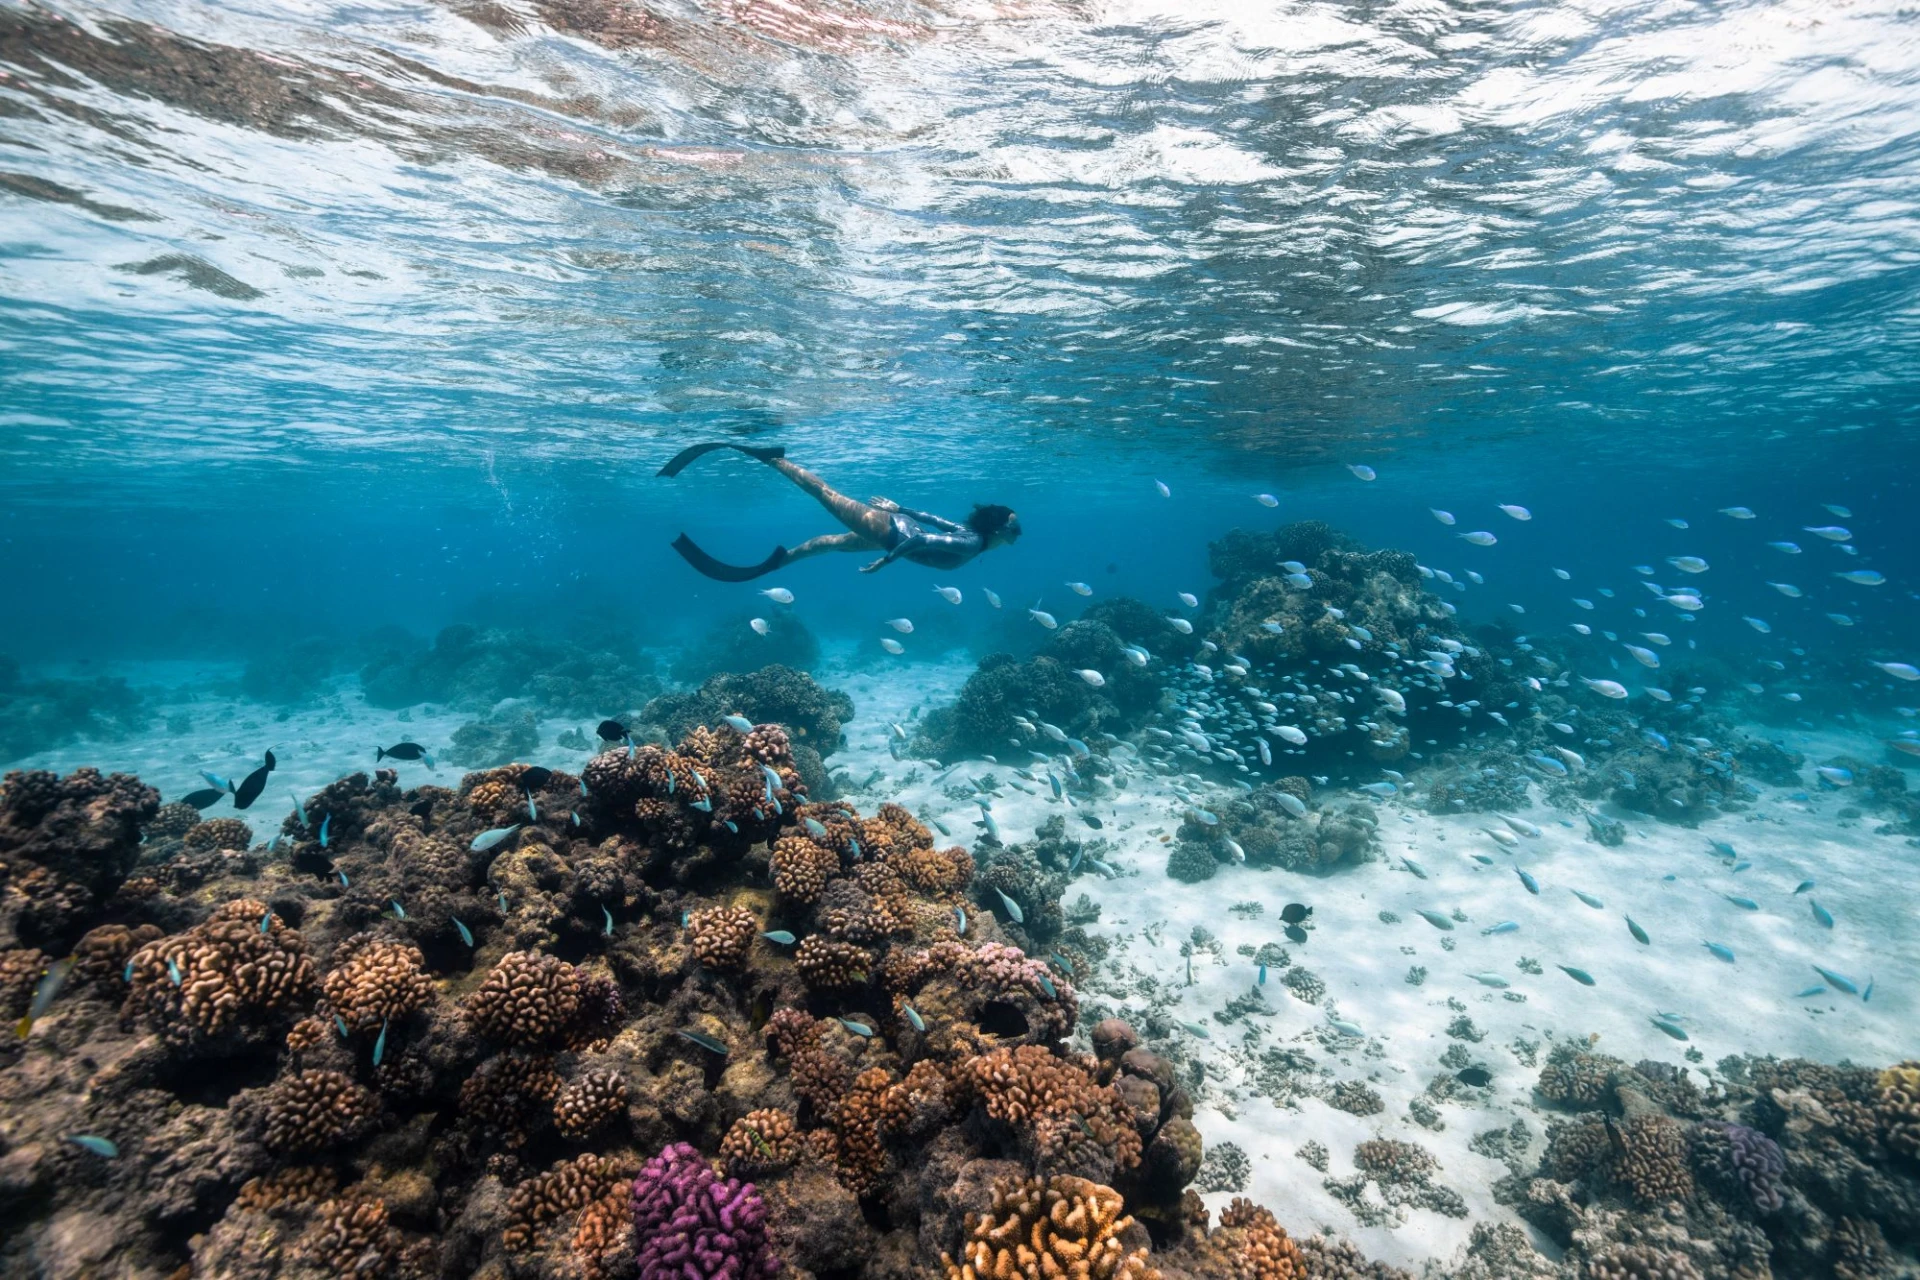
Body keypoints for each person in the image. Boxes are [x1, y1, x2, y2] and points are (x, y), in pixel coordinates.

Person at [657, 442, 1021, 582]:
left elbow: (939, 522)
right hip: (889, 533)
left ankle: (778, 562)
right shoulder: (973, 545)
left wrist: (901, 508)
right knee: (825, 494)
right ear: (999, 531)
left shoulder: (972, 539)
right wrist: (888, 560)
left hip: (890, 532)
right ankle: (774, 458)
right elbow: (925, 536)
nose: (1017, 534)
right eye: (1014, 528)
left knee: (827, 544)